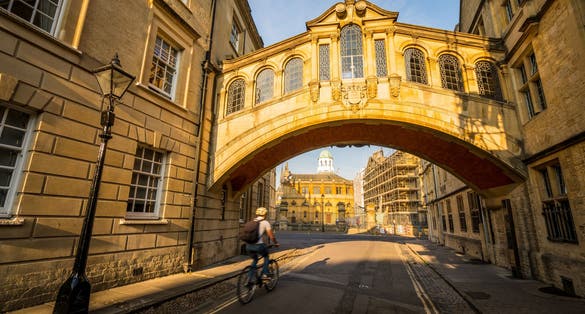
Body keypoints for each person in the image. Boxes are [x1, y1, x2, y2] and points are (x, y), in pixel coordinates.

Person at [246, 207, 278, 283]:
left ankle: (248, 279)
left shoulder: (252, 221)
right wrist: (275, 243)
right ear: (265, 214)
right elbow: (271, 236)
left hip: (248, 246)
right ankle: (265, 274)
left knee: (255, 260)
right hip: (258, 246)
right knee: (266, 256)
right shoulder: (265, 222)